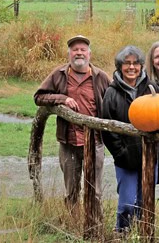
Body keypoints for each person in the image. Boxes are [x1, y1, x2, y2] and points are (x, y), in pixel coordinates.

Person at [34, 35, 111, 217]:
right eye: (75, 50)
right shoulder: (59, 75)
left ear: (89, 54)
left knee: (95, 192)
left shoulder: (100, 77)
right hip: (68, 143)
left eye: (82, 49)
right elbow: (38, 97)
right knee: (71, 191)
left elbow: (113, 101)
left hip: (95, 143)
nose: (79, 53)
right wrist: (62, 99)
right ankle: (73, 225)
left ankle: (95, 228)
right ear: (69, 54)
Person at [101, 45, 159, 232]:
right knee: (127, 204)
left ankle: (143, 234)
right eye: (127, 63)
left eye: (136, 63)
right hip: (125, 159)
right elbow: (107, 128)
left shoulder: (152, 88)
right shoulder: (111, 92)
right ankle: (123, 234)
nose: (131, 67)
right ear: (120, 66)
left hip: (149, 157)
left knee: (144, 201)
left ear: (142, 66)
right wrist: (121, 153)